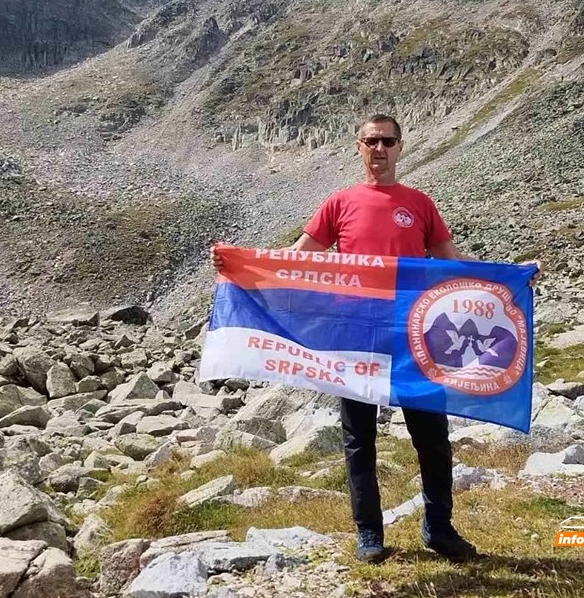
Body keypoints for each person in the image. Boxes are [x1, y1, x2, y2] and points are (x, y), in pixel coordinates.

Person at [211, 113, 537, 563]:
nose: (378, 149)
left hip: (414, 339)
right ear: (358, 147)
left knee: (432, 437)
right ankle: (369, 533)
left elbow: (452, 261)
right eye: (370, 142)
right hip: (355, 335)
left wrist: (506, 281)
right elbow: (296, 261)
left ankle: (439, 529)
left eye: (387, 141)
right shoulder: (339, 203)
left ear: (400, 147)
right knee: (359, 438)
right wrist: (240, 264)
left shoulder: (419, 203)